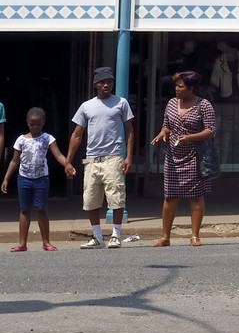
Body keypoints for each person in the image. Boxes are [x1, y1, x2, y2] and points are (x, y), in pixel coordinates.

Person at [65, 67, 135, 249]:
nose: (106, 85)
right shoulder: (86, 106)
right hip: (91, 159)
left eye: (109, 82)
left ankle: (116, 235)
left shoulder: (121, 103)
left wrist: (128, 156)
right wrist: (68, 160)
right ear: (96, 84)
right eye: (102, 82)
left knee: (116, 198)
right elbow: (77, 134)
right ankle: (97, 236)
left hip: (113, 157)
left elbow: (129, 131)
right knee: (90, 199)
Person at [149, 71, 217, 247]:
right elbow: (167, 125)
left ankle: (195, 236)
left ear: (191, 88)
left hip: (195, 157)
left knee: (195, 197)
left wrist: (190, 137)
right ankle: (165, 237)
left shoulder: (204, 105)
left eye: (180, 86)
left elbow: (210, 130)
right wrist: (162, 133)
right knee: (170, 197)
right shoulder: (171, 103)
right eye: (176, 86)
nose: (176, 89)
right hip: (173, 156)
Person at [4, 107, 76, 251]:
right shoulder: (21, 140)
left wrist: (67, 165)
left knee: (42, 209)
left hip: (41, 179)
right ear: (27, 123)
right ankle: (22, 243)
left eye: (38, 124)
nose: (35, 126)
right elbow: (14, 161)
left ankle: (46, 242)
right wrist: (6, 179)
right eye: (32, 124)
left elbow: (58, 155)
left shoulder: (48, 138)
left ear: (43, 123)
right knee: (25, 209)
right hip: (24, 178)